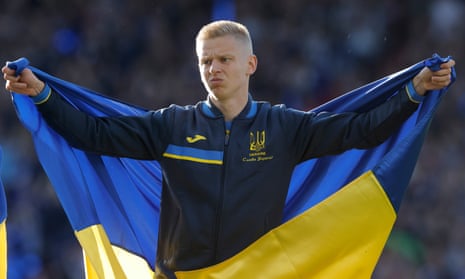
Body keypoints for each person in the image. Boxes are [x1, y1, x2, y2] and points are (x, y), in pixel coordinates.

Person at [2, 20, 455, 278]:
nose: (213, 69)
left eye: (224, 59)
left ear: (249, 64)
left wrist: (413, 90)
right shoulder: (172, 126)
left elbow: (362, 131)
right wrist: (42, 93)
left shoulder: (286, 128)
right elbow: (94, 135)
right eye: (205, 62)